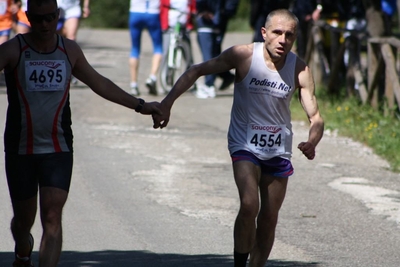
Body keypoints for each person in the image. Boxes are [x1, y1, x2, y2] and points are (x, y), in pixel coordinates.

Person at [152, 9, 324, 267]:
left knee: (269, 217)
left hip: (278, 148)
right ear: (264, 33)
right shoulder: (243, 55)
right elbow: (197, 70)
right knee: (248, 204)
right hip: (244, 144)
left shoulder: (299, 69)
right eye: (277, 33)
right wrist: (167, 103)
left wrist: (312, 141)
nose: (282, 40)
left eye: (289, 35)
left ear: (295, 37)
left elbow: (316, 117)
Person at [0, 0, 161, 266]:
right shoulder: (13, 49)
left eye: (50, 18)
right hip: (20, 148)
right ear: (28, 17)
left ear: (58, 15)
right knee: (23, 222)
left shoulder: (68, 50)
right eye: (38, 19)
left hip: (58, 147)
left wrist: (141, 106)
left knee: (52, 217)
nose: (44, 24)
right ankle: (23, 247)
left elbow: (100, 83)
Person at [194, 0, 239, 98]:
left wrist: (203, 10)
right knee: (214, 54)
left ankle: (209, 85)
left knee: (208, 55)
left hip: (207, 24)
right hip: (217, 22)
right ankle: (223, 78)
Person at [128, 0, 163, 96]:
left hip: (135, 12)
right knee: (158, 47)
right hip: (153, 13)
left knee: (135, 49)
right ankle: (152, 77)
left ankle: (133, 85)